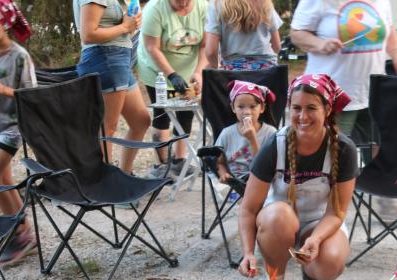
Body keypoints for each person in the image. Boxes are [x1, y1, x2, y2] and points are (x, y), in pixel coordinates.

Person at [237, 74, 359, 280]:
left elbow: (336, 213)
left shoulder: (343, 149)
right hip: (279, 220)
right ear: (288, 108)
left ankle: (310, 273)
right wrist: (248, 252)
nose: (302, 117)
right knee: (280, 216)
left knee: (331, 264)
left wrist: (316, 238)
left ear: (327, 109)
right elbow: (248, 209)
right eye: (296, 108)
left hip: (319, 222)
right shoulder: (276, 145)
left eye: (311, 108)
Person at [290, 0, 397, 145]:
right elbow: (297, 34)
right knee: (334, 150)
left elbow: (388, 28)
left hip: (373, 93)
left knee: (378, 149)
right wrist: (320, 44)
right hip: (334, 95)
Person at [0, 0, 37, 266]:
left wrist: (3, 90)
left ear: (4, 25)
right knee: (2, 180)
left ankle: (17, 232)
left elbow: (33, 96)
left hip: (14, 126)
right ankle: (24, 231)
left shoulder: (19, 56)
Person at [73, 0, 150, 174]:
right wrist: (124, 27)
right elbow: (88, 34)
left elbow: (104, 25)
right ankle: (106, 185)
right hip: (106, 58)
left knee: (141, 121)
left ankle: (124, 175)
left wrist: (129, 23)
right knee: (107, 128)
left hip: (118, 58)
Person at [137, 0, 208, 176]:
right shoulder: (154, 9)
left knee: (186, 113)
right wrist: (171, 75)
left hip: (188, 68)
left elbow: (205, 45)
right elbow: (152, 47)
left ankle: (179, 160)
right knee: (162, 113)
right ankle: (162, 165)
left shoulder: (203, 7)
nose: (181, 4)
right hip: (157, 71)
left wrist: (199, 72)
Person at [214, 80, 277, 189]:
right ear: (233, 108)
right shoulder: (227, 133)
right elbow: (219, 162)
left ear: (261, 108)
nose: (247, 112)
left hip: (261, 182)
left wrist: (252, 139)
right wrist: (223, 173)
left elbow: (263, 168)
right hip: (235, 183)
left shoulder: (270, 133)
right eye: (241, 107)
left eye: (252, 107)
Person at [204, 0, 282, 70]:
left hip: (233, 73)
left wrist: (215, 66)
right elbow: (277, 46)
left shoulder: (216, 4)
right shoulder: (265, 3)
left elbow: (211, 52)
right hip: (267, 71)